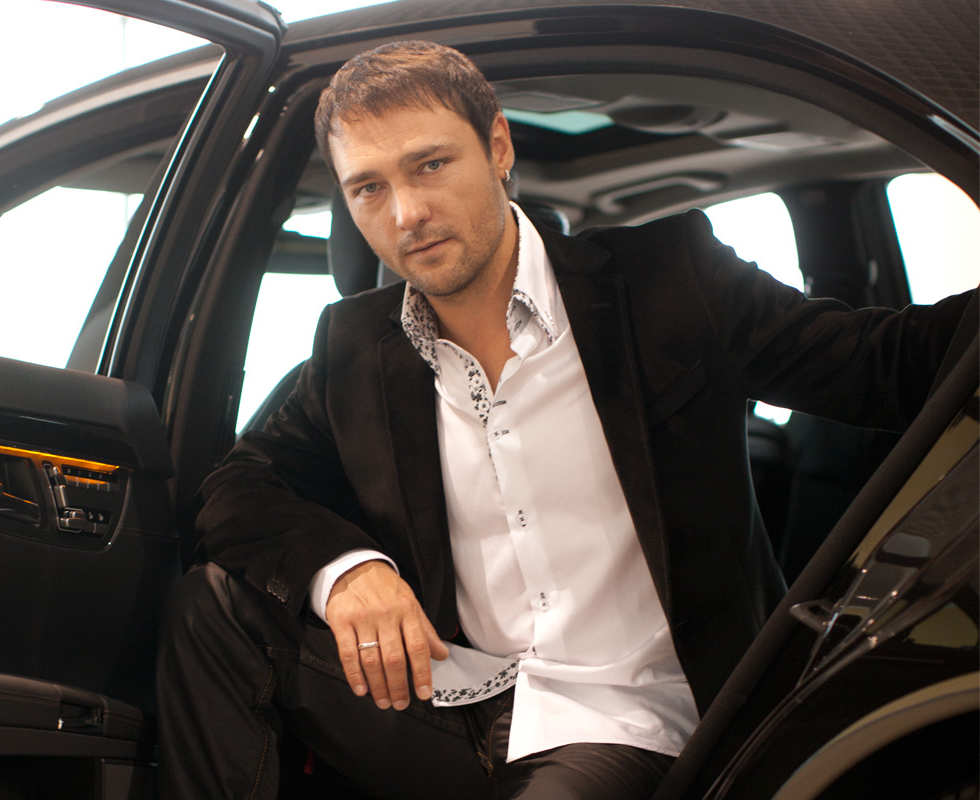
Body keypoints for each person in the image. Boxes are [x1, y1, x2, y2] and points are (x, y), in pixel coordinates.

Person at [156, 40, 971, 799]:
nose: (406, 213)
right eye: (369, 187)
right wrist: (346, 572)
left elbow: (887, 363)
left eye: (430, 165)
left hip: (628, 716)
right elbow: (236, 488)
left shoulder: (666, 282)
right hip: (456, 695)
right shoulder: (355, 347)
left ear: (498, 147)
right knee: (211, 607)